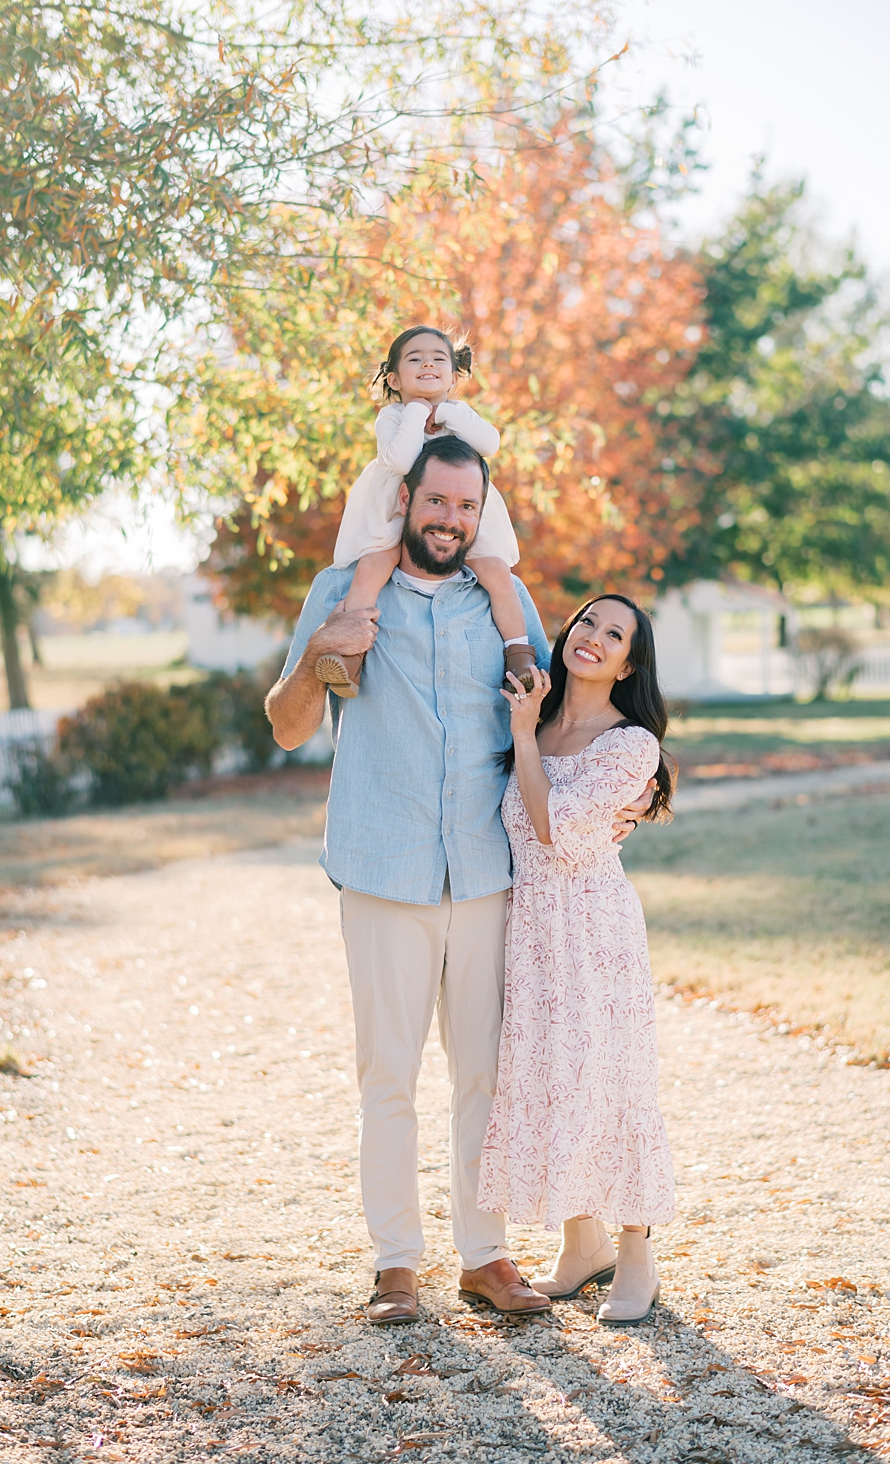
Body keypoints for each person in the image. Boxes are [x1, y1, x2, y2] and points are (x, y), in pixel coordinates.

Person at [265, 432, 650, 1326]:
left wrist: (645, 777)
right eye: (435, 501)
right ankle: (396, 1264)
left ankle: (484, 1256)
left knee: (486, 1078)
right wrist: (320, 648)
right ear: (405, 501)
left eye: (466, 506)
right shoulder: (344, 592)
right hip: (382, 869)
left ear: (482, 514)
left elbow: (568, 708)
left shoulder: (502, 602)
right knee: (388, 1078)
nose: (449, 518)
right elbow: (286, 726)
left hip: (485, 874)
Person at [477, 594, 678, 1326]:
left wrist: (523, 737)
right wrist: (528, 729)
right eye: (587, 622)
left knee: (612, 1081)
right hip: (532, 930)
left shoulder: (631, 745)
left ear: (628, 665)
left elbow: (554, 830)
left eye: (614, 635)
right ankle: (582, 1242)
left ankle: (636, 1253)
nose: (593, 637)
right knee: (554, 1080)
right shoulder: (537, 717)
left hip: (595, 933)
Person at [316, 325, 535, 697]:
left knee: (497, 574)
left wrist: (447, 412)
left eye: (438, 359)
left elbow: (490, 444)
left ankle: (519, 656)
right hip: (396, 509)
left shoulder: (459, 413)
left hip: (453, 511)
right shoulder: (392, 416)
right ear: (394, 379)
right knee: (372, 567)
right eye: (415, 359)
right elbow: (401, 460)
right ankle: (349, 657)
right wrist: (416, 411)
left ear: (453, 376)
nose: (427, 365)